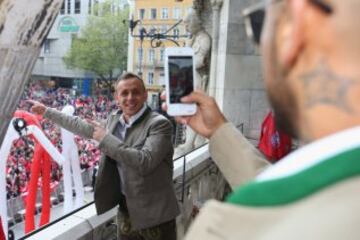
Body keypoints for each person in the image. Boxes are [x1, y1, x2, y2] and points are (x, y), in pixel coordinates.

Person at [163, 0, 360, 239]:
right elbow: (287, 193)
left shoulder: (226, 229)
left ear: (294, 29)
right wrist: (219, 131)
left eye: (258, 24)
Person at [29, 72, 179, 240]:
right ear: (116, 97)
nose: (130, 97)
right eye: (124, 93)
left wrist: (106, 139)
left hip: (156, 215)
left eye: (135, 92)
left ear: (145, 95)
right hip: (126, 211)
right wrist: (47, 112)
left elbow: (144, 161)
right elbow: (81, 126)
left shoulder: (159, 124)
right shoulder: (114, 119)